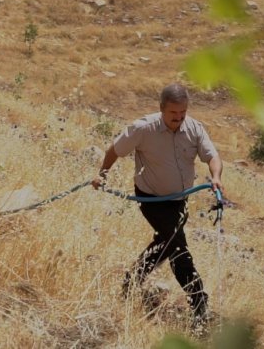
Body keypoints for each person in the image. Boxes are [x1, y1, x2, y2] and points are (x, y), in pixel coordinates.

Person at [91, 83, 223, 326]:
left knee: (164, 244)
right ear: (162, 108)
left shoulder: (194, 128)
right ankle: (199, 303)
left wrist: (215, 177)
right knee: (177, 248)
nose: (179, 118)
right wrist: (102, 174)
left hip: (180, 201)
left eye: (183, 113)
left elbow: (212, 156)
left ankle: (131, 282)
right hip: (151, 199)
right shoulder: (143, 128)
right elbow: (115, 150)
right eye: (173, 113)